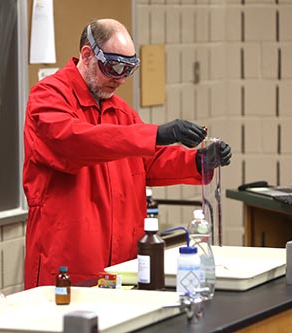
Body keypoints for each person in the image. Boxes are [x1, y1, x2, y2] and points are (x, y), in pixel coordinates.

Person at [22, 18, 232, 288]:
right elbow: (74, 141)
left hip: (121, 266)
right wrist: (155, 134)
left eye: (128, 69)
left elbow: (149, 161)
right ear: (87, 55)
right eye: (114, 67)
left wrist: (198, 161)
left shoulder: (119, 110)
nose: (120, 79)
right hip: (67, 264)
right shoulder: (48, 97)